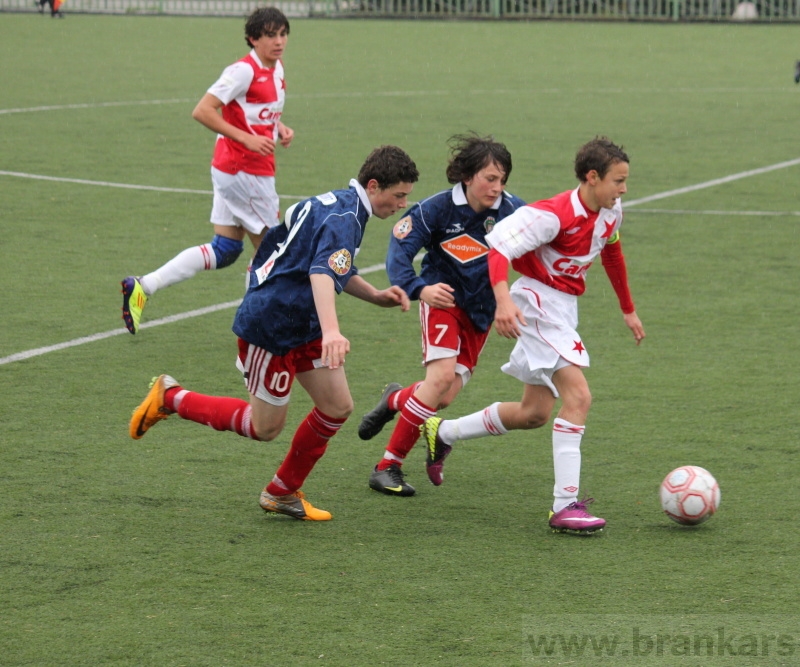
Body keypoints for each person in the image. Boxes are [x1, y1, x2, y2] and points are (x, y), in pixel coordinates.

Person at [128, 145, 420, 521]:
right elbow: (321, 273)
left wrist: (375, 295)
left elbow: (327, 265)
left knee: (337, 406)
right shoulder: (346, 217)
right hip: (273, 326)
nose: (401, 204)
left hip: (301, 321)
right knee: (264, 428)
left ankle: (281, 492)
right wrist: (332, 331)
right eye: (399, 196)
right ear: (375, 185)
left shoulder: (341, 204)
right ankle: (171, 397)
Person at [420, 137, 645, 535]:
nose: (624, 189)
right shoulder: (551, 215)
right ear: (592, 178)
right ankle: (565, 506)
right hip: (536, 303)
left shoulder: (611, 210)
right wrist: (504, 302)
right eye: (618, 181)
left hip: (563, 308)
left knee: (535, 413)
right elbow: (497, 250)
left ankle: (444, 431)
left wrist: (627, 309)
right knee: (579, 397)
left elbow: (611, 250)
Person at [356, 134, 526, 497]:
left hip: (481, 315)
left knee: (442, 396)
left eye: (502, 180)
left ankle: (394, 400)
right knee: (439, 379)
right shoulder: (435, 210)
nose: (497, 188)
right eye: (489, 178)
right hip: (442, 304)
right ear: (467, 176)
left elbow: (542, 246)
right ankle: (388, 466)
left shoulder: (513, 211)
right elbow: (398, 252)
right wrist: (421, 290)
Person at [120, 6, 294, 334]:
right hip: (245, 171)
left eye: (283, 34)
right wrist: (248, 139)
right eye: (270, 35)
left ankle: (143, 286)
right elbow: (203, 110)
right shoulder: (242, 71)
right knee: (274, 250)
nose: (278, 41)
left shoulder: (277, 69)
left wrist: (278, 128)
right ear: (253, 39)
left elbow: (252, 111)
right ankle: (254, 324)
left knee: (226, 249)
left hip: (238, 168)